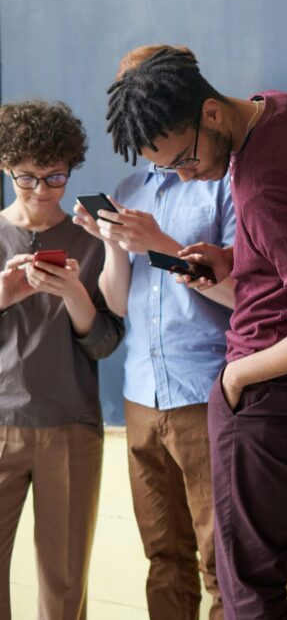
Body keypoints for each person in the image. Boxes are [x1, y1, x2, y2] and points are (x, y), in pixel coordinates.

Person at [104, 47, 287, 620]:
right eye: (168, 170)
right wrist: (237, 258)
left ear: (211, 113)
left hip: (280, 390)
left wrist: (237, 375)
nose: (185, 176)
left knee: (247, 589)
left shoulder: (259, 185)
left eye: (184, 160)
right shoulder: (284, 109)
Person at [72, 44, 235, 620]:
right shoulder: (130, 188)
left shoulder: (222, 181)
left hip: (206, 393)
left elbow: (245, 296)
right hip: (141, 396)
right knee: (163, 557)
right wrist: (114, 244)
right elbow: (117, 302)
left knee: (223, 562)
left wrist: (162, 244)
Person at [0, 100, 124, 618]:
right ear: (7, 167)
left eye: (55, 177)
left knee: (64, 586)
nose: (42, 192)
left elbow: (105, 342)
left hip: (70, 426)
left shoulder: (90, 238)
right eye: (27, 178)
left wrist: (74, 293)